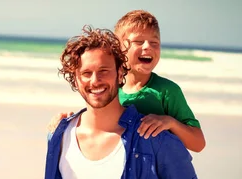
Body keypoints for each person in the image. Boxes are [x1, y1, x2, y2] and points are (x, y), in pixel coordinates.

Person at [44, 25, 197, 179]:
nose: (95, 81)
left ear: (120, 73)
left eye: (104, 71)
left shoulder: (155, 139)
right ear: (75, 80)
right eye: (86, 73)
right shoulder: (59, 135)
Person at [49, 10, 205, 152]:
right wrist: (67, 123)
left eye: (154, 43)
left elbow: (198, 143)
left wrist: (170, 122)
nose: (147, 47)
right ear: (119, 48)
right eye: (138, 42)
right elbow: (95, 119)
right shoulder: (109, 88)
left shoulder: (167, 91)